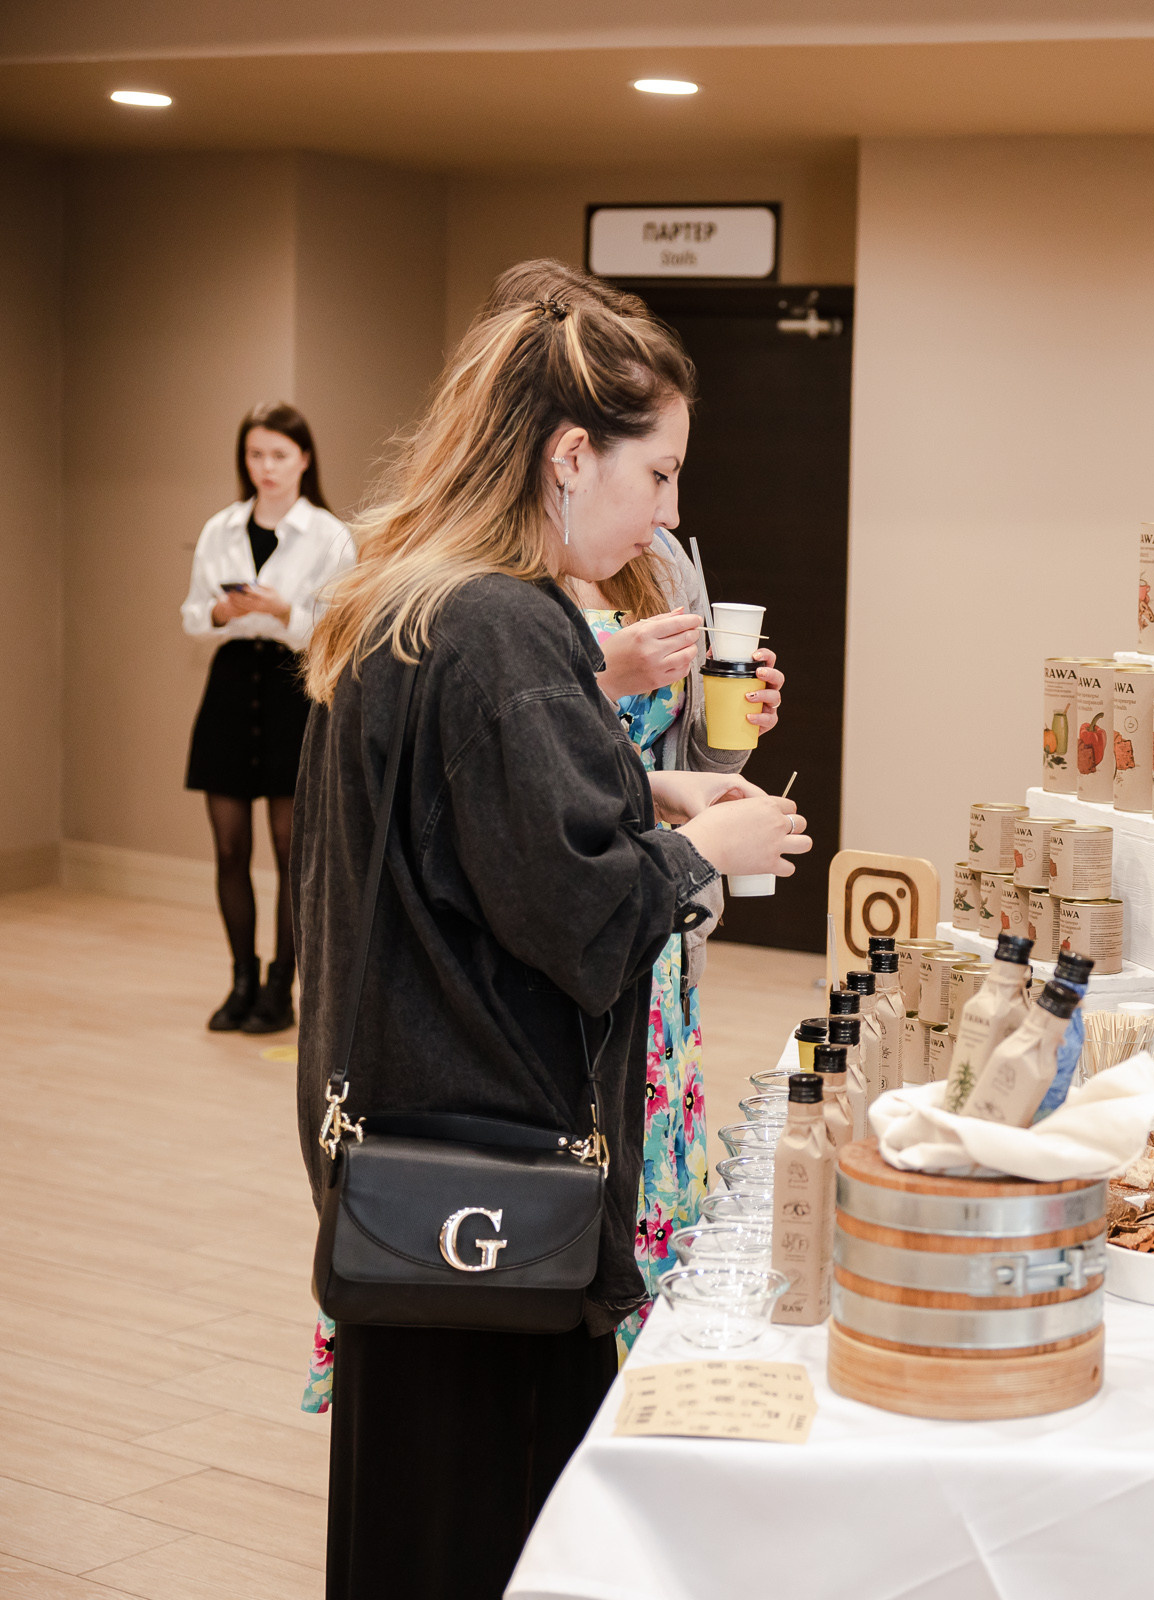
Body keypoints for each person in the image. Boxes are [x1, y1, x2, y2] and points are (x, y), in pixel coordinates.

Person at [293, 259, 808, 1600]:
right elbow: (577, 912)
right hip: (503, 1177)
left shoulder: (417, 602)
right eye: (661, 476)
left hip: (406, 1161)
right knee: (499, 1531)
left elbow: (466, 829)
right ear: (572, 455)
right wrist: (706, 845)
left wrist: (642, 783)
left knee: (409, 1517)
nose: (668, 514)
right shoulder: (512, 631)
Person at [566, 531, 784, 1354]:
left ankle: (637, 1374)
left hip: (661, 919)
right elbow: (524, 754)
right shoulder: (498, 587)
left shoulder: (658, 563)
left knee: (655, 1162)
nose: (670, 511)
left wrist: (737, 726)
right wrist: (608, 674)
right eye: (657, 473)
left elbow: (680, 751)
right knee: (584, 1172)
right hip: (579, 914)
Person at [179, 402, 356, 1032]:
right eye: (256, 455)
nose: (266, 468)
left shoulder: (331, 534)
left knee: (291, 852)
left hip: (292, 691)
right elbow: (193, 616)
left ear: (304, 458)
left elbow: (341, 630)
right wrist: (218, 616)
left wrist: (286, 614)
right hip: (230, 687)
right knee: (229, 848)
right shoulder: (219, 527)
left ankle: (283, 988)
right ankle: (241, 981)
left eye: (279, 455)